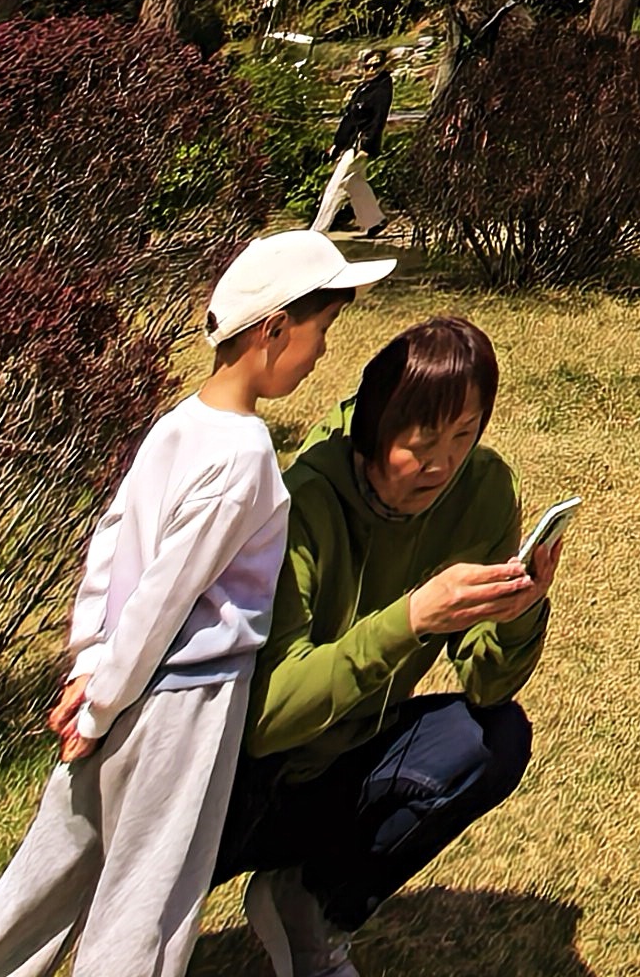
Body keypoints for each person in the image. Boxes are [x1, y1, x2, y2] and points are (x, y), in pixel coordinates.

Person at [0, 227, 393, 977]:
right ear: (274, 330)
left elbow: (111, 551)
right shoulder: (245, 456)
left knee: (49, 877)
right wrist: (104, 698)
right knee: (149, 898)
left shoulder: (178, 424)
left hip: (116, 684)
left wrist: (88, 670)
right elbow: (170, 592)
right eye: (322, 331)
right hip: (183, 703)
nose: (323, 353)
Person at [219, 313, 563, 977]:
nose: (444, 463)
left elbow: (487, 685)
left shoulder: (483, 490)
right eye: (422, 440)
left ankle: (312, 902)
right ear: (376, 430)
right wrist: (410, 619)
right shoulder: (303, 502)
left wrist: (519, 613)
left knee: (496, 739)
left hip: (345, 761)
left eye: (465, 435)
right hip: (236, 785)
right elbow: (265, 721)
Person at [317, 50, 397, 239]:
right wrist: (337, 145)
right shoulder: (364, 88)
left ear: (383, 66)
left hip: (361, 146)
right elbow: (350, 120)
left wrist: (366, 148)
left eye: (375, 65)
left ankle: (317, 231)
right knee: (354, 183)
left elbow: (378, 120)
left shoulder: (382, 88)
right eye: (368, 66)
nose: (371, 70)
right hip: (351, 144)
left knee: (335, 187)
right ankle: (375, 221)